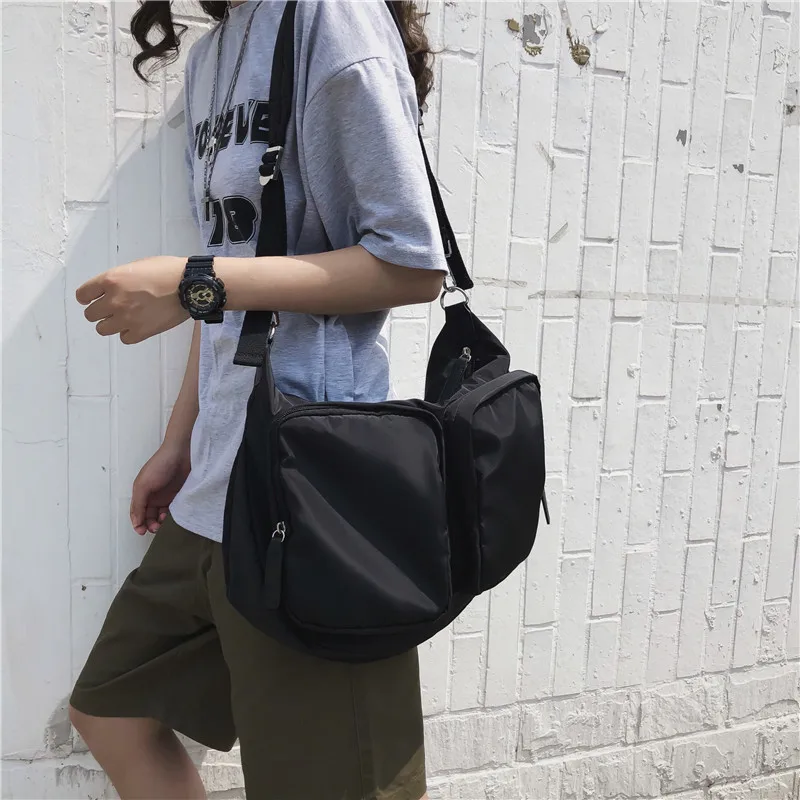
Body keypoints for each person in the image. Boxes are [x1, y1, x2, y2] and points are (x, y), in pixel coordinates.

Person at [68, 1, 447, 798]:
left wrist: (192, 283)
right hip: (217, 485)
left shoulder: (329, 17)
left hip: (309, 489)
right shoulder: (213, 58)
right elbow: (228, 269)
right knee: (111, 710)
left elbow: (412, 263)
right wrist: (181, 440)